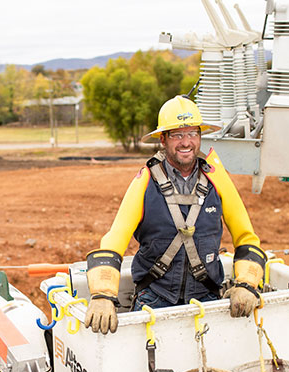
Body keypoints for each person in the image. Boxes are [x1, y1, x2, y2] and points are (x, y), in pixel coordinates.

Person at [84, 95, 267, 334]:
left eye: (192, 133)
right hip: (154, 299)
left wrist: (247, 284)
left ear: (200, 137)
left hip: (207, 298)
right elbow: (114, 239)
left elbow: (247, 238)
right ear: (163, 139)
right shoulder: (145, 181)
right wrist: (102, 294)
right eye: (177, 135)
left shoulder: (217, 177)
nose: (186, 142)